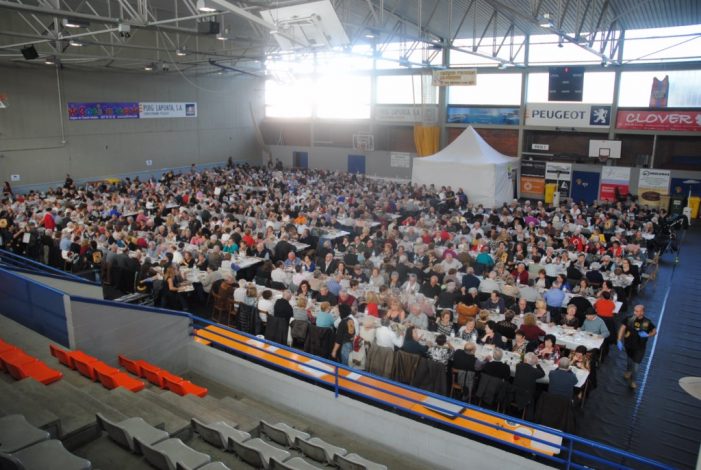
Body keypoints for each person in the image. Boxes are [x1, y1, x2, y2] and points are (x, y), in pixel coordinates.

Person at [617, 304, 656, 389]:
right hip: (629, 345)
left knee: (636, 366)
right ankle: (628, 371)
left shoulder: (647, 322)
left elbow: (654, 331)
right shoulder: (629, 319)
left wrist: (648, 335)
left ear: (642, 312)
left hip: (640, 348)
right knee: (629, 360)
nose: (634, 312)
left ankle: (633, 381)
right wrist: (619, 340)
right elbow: (622, 328)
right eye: (634, 310)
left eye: (637, 311)